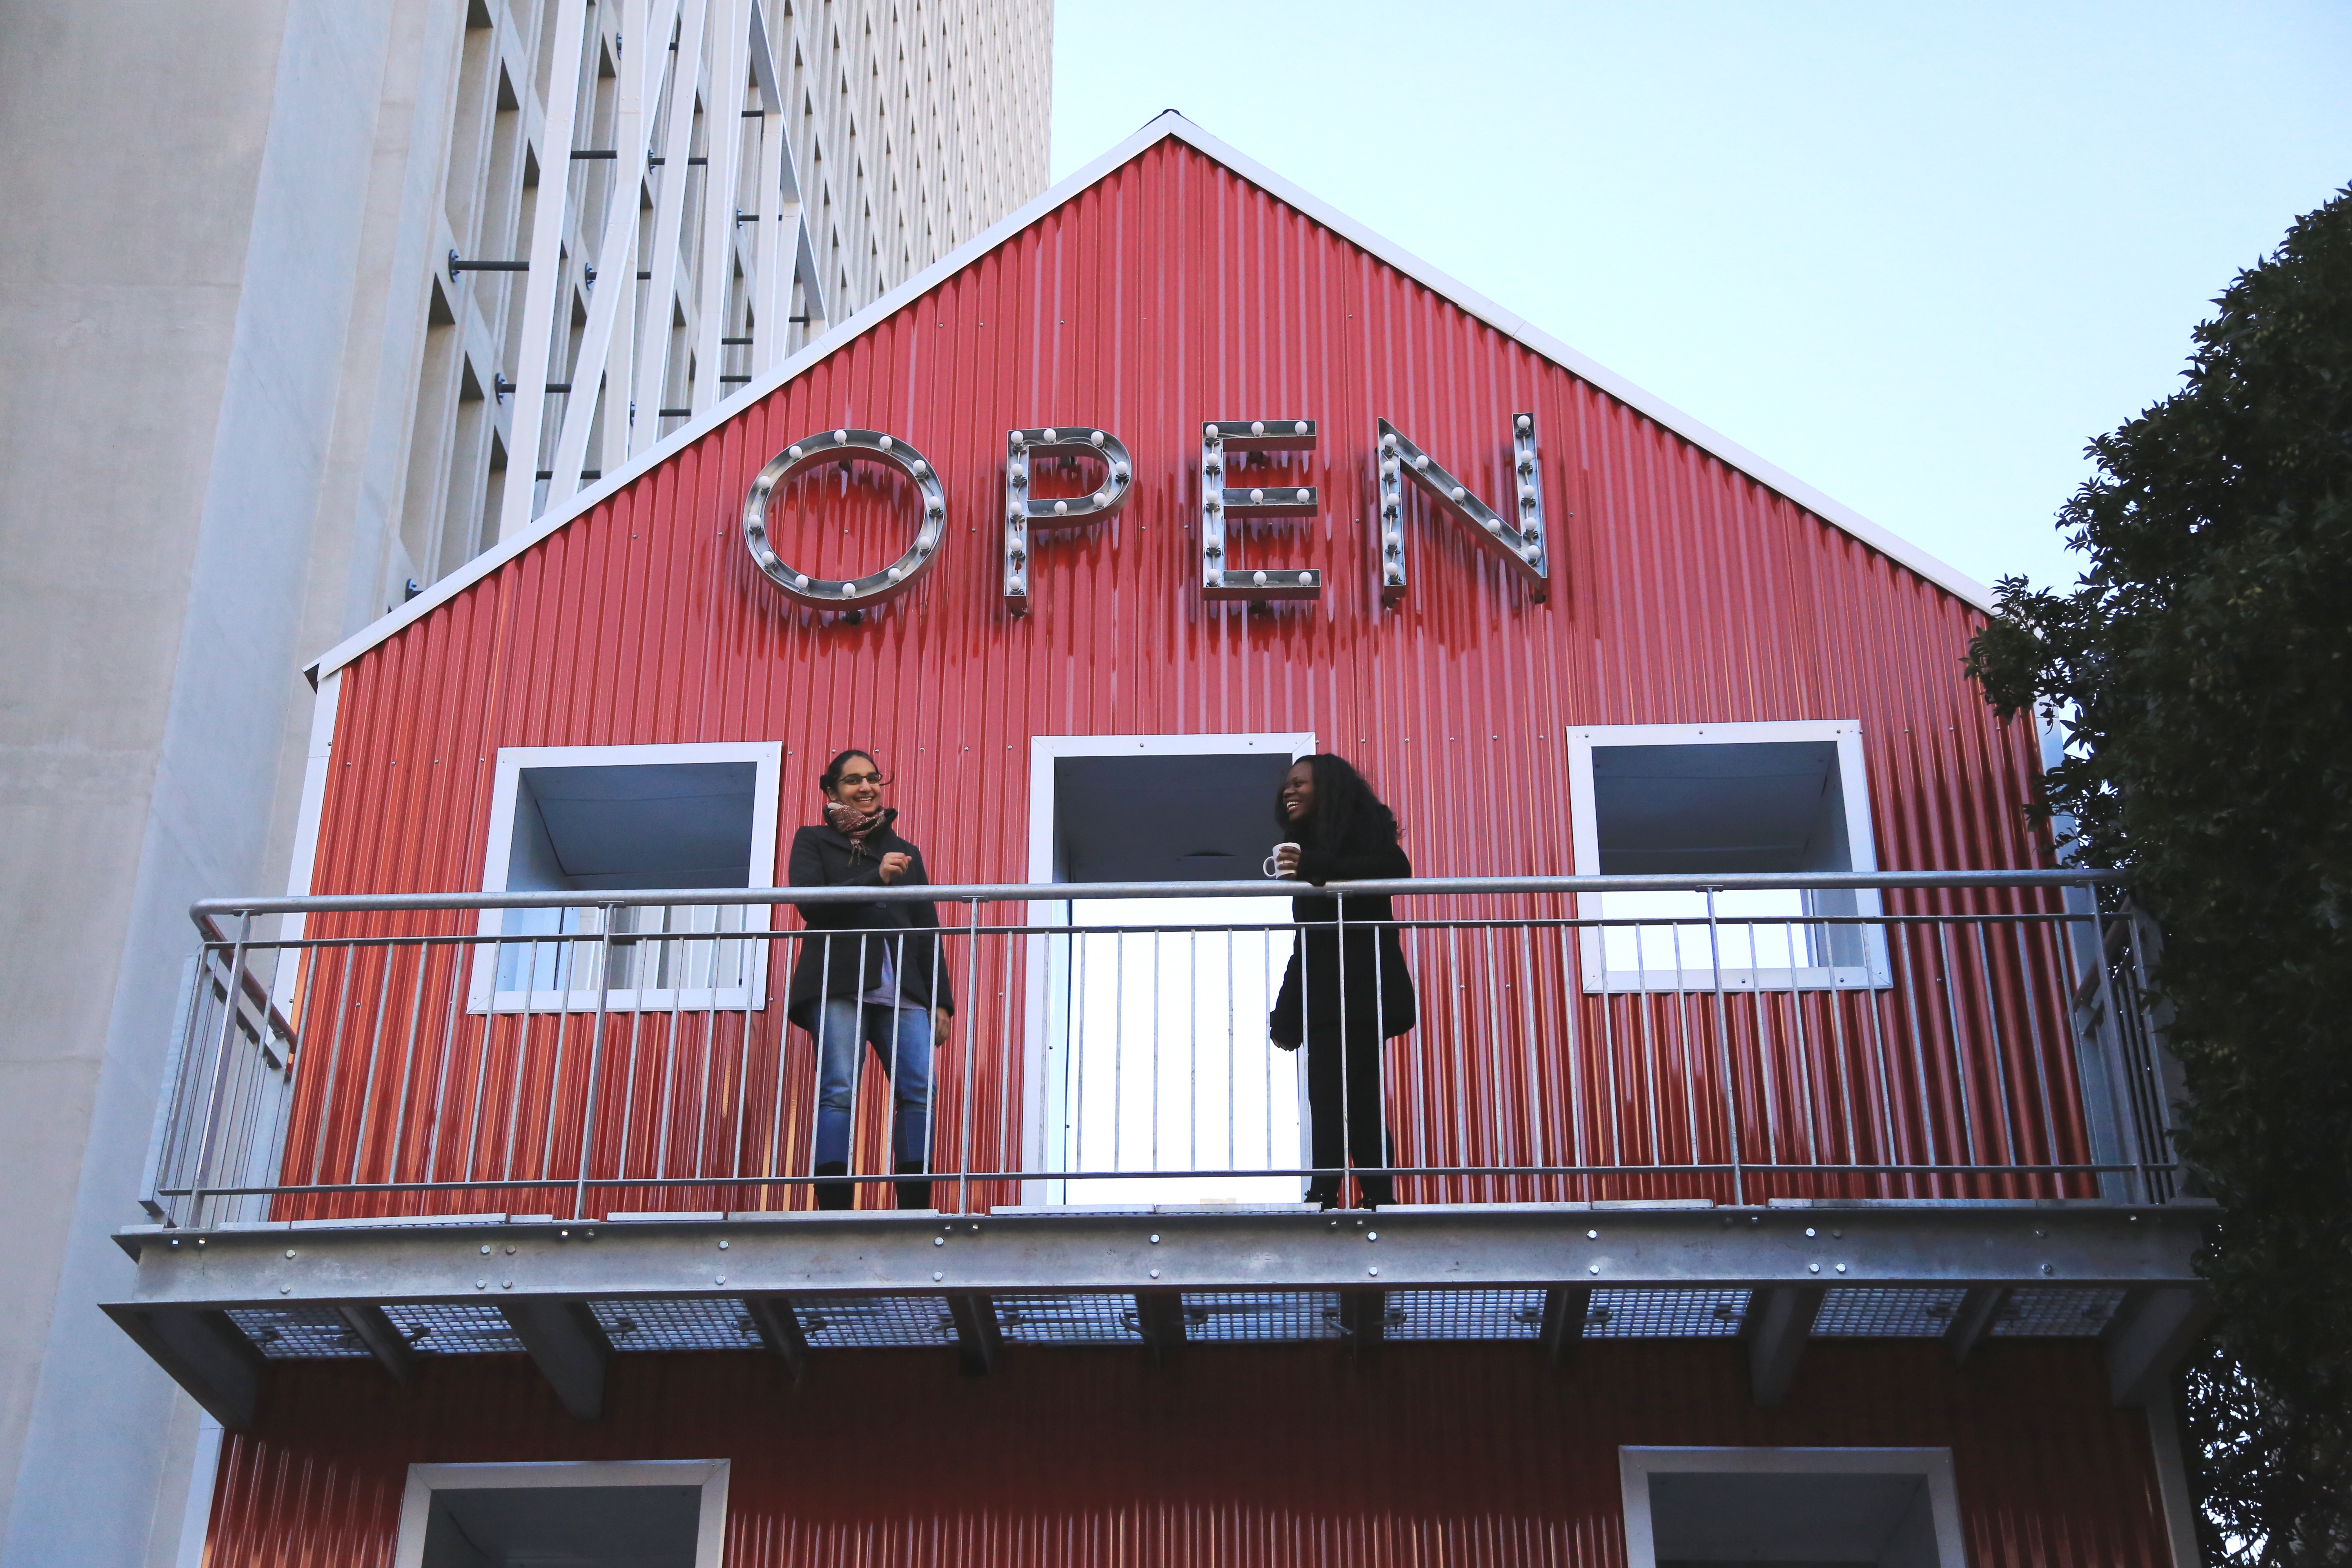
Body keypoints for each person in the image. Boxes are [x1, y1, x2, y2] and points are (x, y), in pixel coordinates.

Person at [786, 749, 953, 1210]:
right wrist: (874, 878)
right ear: (831, 790)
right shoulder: (813, 840)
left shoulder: (907, 853)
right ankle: (834, 1200)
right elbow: (810, 904)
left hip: (905, 987)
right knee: (838, 1085)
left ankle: (916, 1201)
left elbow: (925, 927)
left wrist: (941, 1001)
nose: (866, 788)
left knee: (919, 1088)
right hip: (838, 980)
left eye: (873, 779)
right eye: (853, 780)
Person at [1267, 754, 1417, 1209]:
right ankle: (1326, 1193)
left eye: (1300, 783)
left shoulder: (1363, 831)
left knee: (1360, 1094)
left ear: (1327, 787)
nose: (1288, 791)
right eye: (1287, 786)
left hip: (1363, 988)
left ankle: (1375, 1195)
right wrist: (1288, 1010)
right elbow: (1305, 941)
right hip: (1326, 995)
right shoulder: (1306, 846)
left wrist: (1314, 865)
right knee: (1326, 1097)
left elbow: (1395, 871)